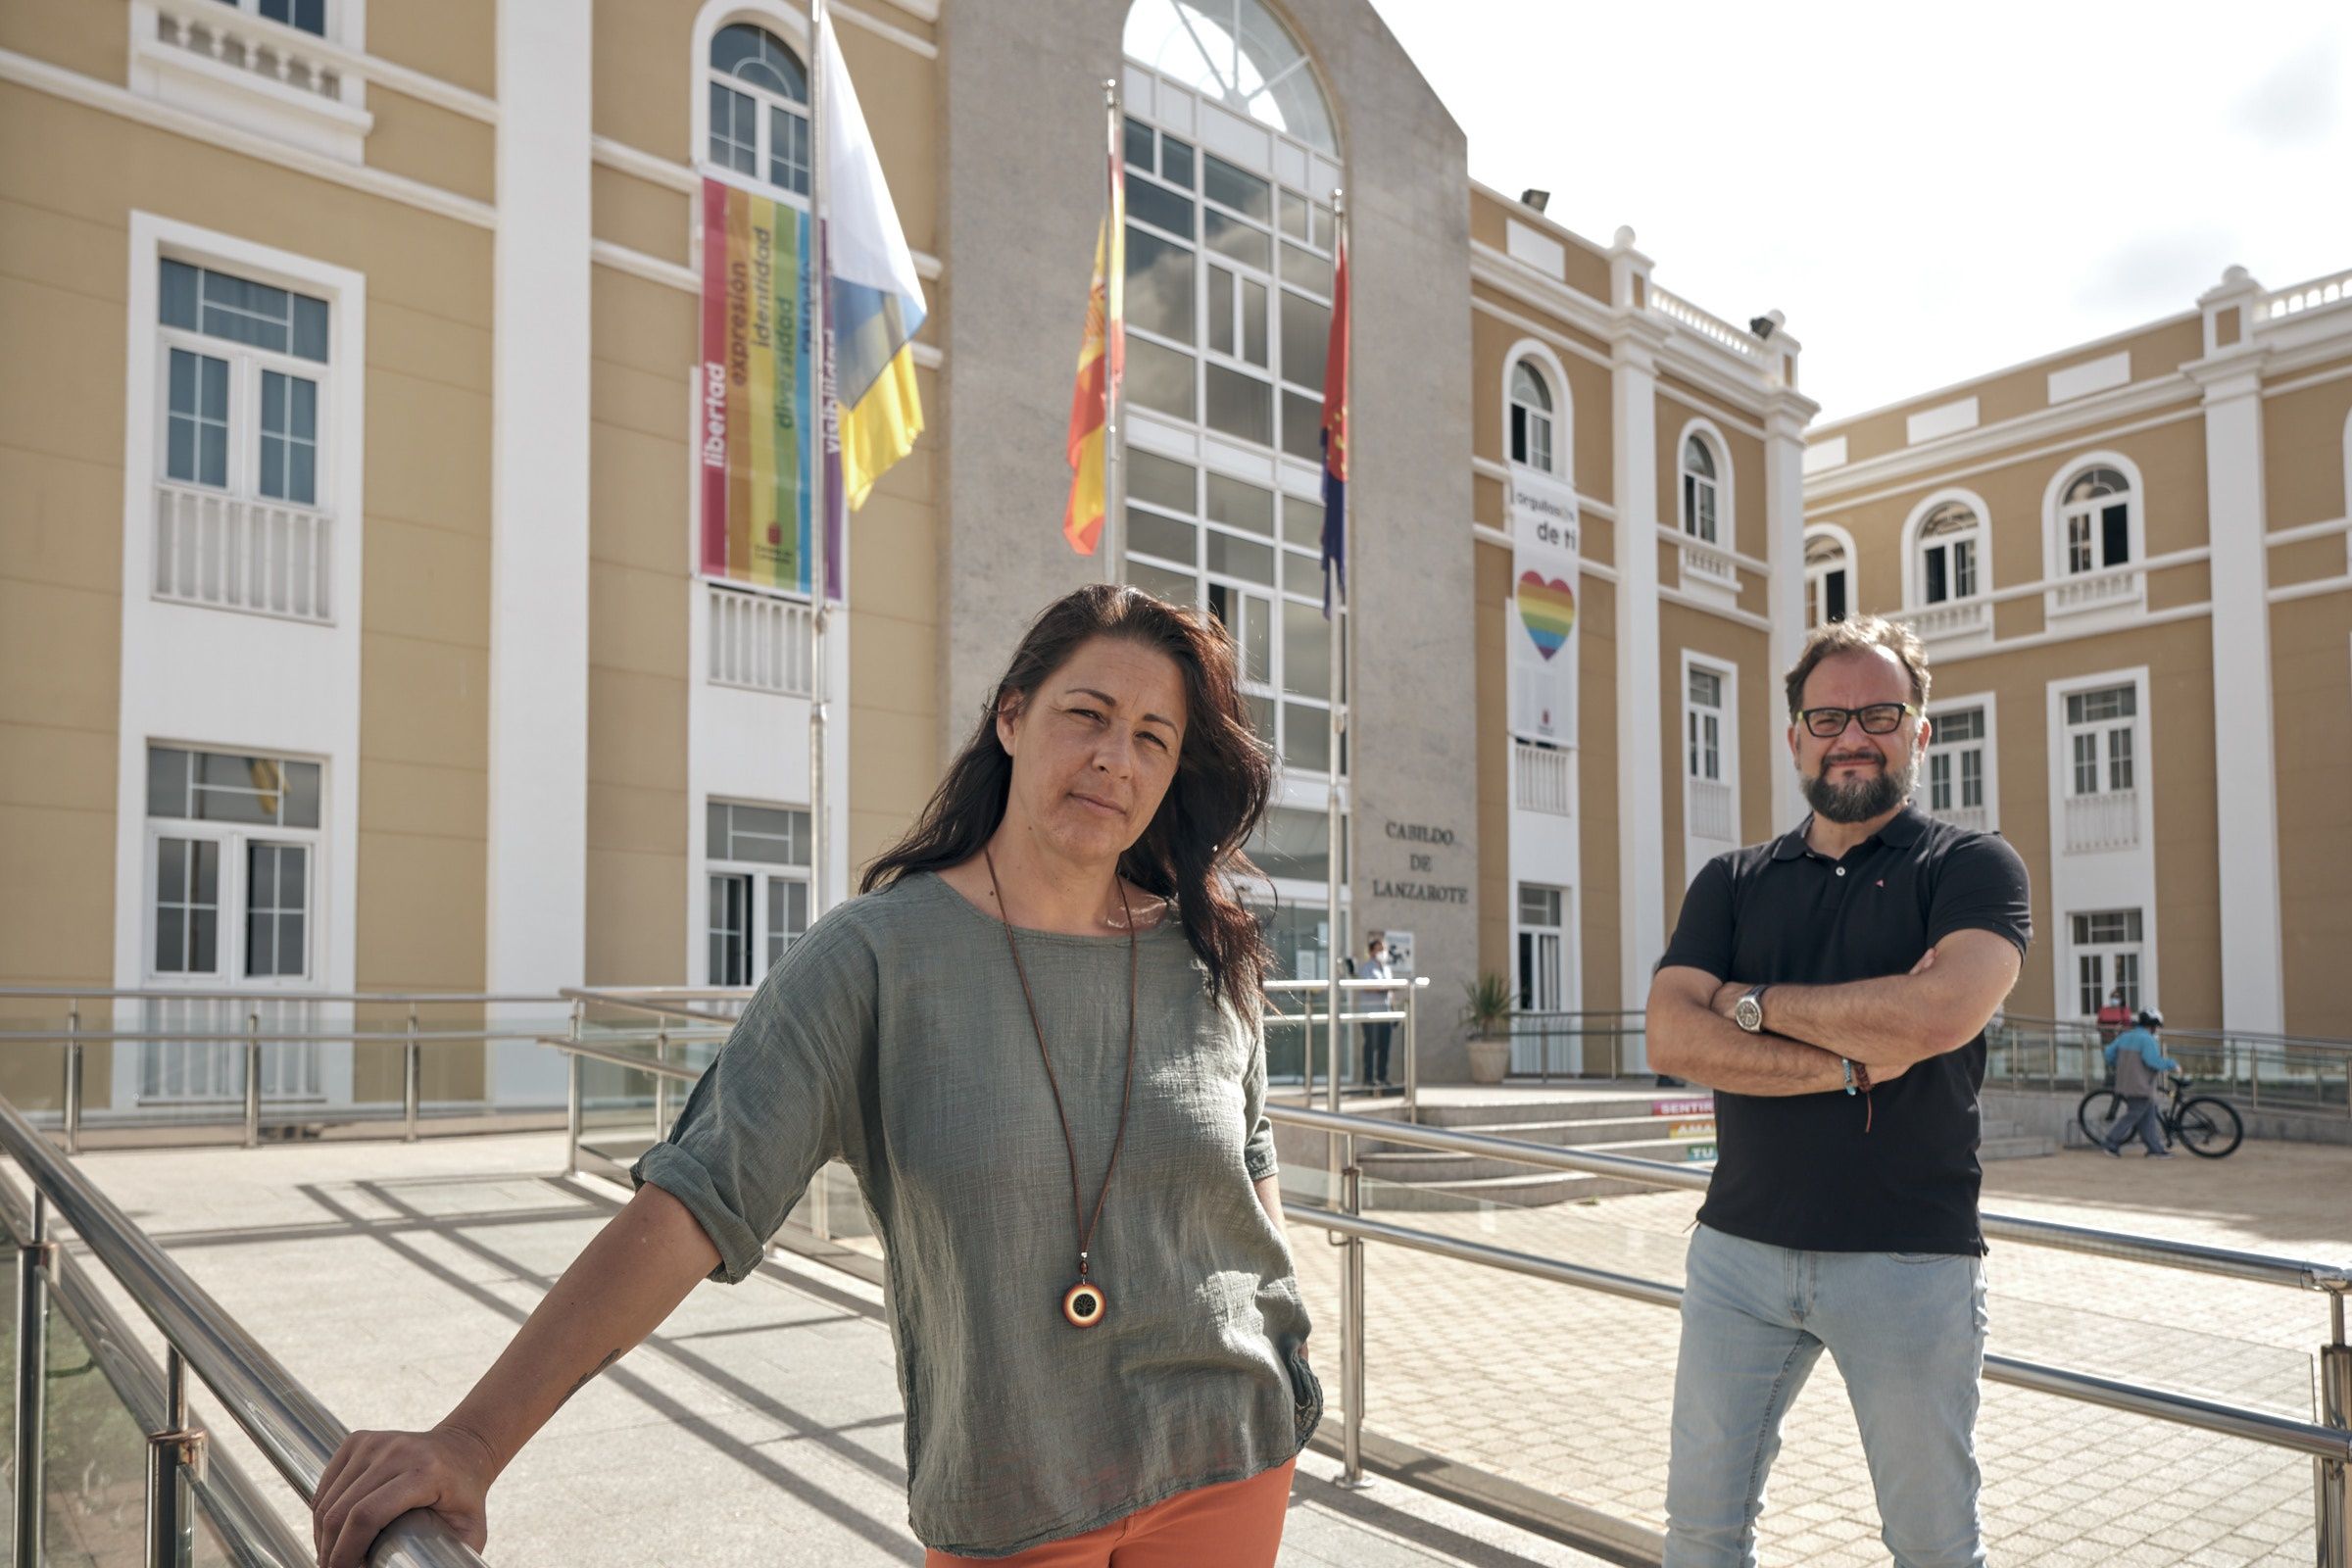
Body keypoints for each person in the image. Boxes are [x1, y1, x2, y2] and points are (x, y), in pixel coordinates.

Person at [310, 586, 1319, 1567]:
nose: (1114, 757)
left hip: (1228, 1455)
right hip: (1018, 1489)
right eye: (1087, 714)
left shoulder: (1205, 954)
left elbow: (1248, 1164)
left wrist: (1287, 1345)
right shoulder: (874, 959)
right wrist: (472, 1444)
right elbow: (692, 1204)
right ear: (1012, 717)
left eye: (1153, 736)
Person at [1645, 615, 2031, 1568]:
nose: (1851, 734)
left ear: (1920, 731)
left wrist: (1744, 1003)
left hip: (1907, 1258)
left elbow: (1939, 1017)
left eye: (1879, 712)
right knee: (1700, 1531)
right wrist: (1850, 1057)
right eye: (1827, 715)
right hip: (1736, 1254)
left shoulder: (1972, 867)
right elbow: (1669, 1032)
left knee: (1933, 1544)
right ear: (1794, 736)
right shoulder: (1732, 881)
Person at [2099, 1009, 2180, 1158]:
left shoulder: (2125, 1036)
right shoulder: (2147, 1039)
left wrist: (2120, 1065)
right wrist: (2172, 1064)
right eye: (2157, 1026)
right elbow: (2152, 1061)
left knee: (2147, 1116)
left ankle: (2154, 1149)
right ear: (2153, 1025)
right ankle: (2110, 1143)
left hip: (2126, 1083)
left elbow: (2109, 1053)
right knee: (2133, 1116)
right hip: (2140, 1084)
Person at [1359, 935, 1397, 1093]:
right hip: (1371, 1014)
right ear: (1371, 951)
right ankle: (1368, 1079)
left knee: (1384, 1047)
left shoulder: (1387, 969)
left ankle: (1382, 1077)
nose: (1383, 952)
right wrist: (1384, 988)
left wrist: (1394, 1011)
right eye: (1379, 949)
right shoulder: (1367, 968)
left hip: (1385, 1014)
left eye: (1384, 949)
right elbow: (1368, 987)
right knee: (1371, 1046)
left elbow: (1390, 993)